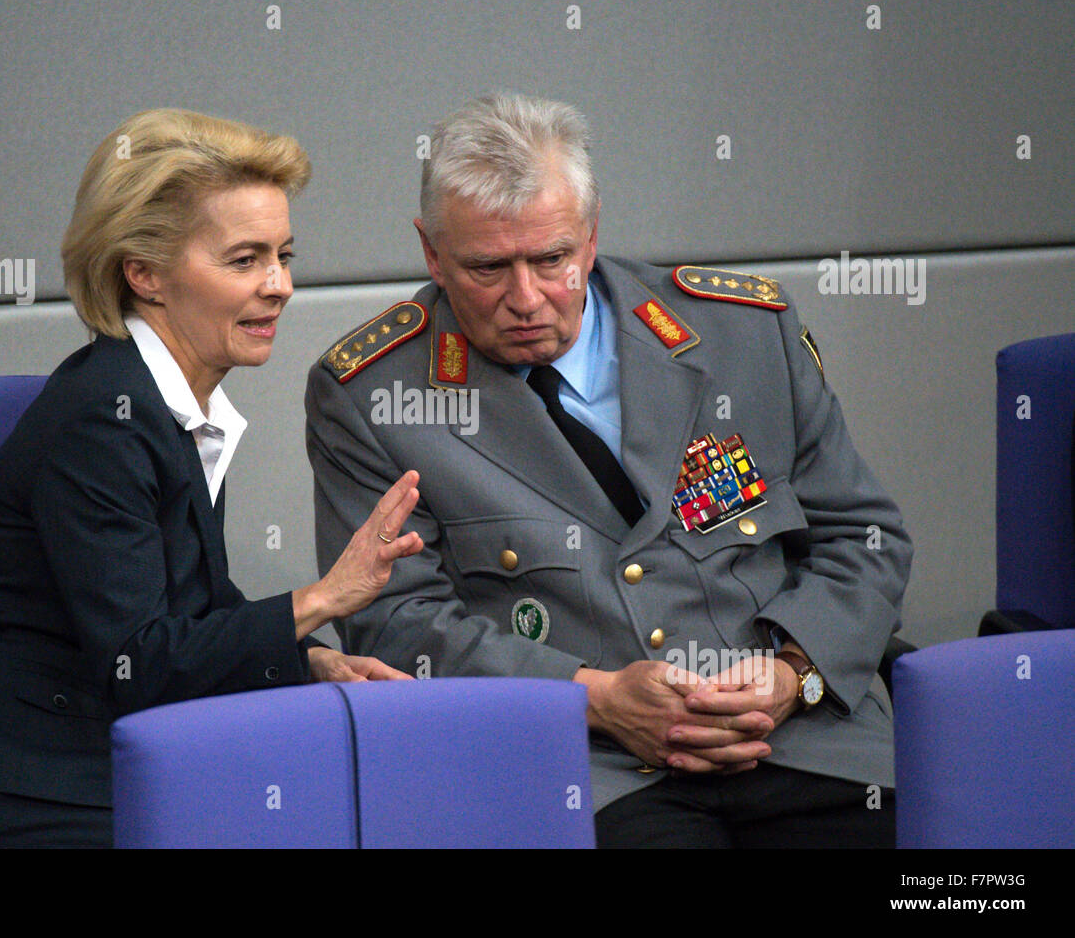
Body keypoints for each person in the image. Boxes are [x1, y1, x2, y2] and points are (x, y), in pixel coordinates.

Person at [305, 92, 913, 847]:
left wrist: (796, 675)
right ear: (431, 253)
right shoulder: (373, 395)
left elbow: (865, 536)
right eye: (488, 267)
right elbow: (394, 622)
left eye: (551, 259)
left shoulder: (744, 332)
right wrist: (592, 699)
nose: (525, 297)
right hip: (585, 771)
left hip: (804, 743)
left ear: (591, 237)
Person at [0, 108, 424, 847]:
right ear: (144, 273)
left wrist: (311, 659)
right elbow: (141, 660)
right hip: (9, 789)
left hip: (96, 769)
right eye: (244, 260)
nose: (280, 286)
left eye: (284, 255)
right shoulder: (103, 414)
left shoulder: (164, 400)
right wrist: (324, 596)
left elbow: (190, 608)